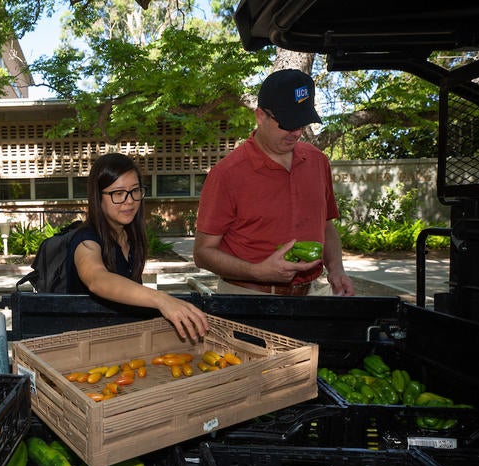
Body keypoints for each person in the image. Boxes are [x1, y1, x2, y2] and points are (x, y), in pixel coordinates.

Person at [193, 69, 355, 296]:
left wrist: (337, 270)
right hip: (248, 298)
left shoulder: (318, 162)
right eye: (288, 124)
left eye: (301, 123)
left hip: (312, 295)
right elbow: (202, 253)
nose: (296, 133)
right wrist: (257, 271)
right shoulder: (227, 173)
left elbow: (326, 227)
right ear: (260, 116)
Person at [66, 152, 209, 341]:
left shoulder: (130, 236)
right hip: (86, 348)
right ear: (97, 197)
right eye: (118, 193)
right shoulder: (86, 241)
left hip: (122, 343)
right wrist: (161, 299)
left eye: (135, 190)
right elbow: (97, 279)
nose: (130, 200)